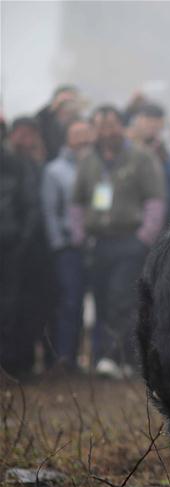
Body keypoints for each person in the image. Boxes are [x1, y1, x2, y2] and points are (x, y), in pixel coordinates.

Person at [71, 105, 166, 378]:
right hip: (99, 242)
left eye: (111, 125)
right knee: (101, 299)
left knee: (121, 298)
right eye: (100, 126)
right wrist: (79, 234)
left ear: (121, 127)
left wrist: (144, 236)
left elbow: (155, 199)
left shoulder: (141, 157)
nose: (106, 132)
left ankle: (115, 357)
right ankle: (114, 358)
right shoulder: (88, 160)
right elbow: (77, 202)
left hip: (129, 241)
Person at [40, 118, 95, 371]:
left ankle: (98, 358)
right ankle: (64, 358)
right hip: (67, 248)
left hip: (97, 244)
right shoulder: (55, 170)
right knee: (69, 303)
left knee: (99, 303)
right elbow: (50, 211)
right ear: (67, 139)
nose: (83, 140)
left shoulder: (100, 167)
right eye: (77, 135)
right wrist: (58, 245)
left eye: (86, 134)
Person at [0, 113, 50, 377]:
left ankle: (12, 364)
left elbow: (31, 207)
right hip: (13, 243)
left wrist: (22, 241)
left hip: (12, 246)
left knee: (12, 305)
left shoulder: (20, 165)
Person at [34, 85, 81, 161]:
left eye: (71, 102)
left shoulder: (80, 122)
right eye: (64, 102)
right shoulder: (44, 121)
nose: (67, 106)